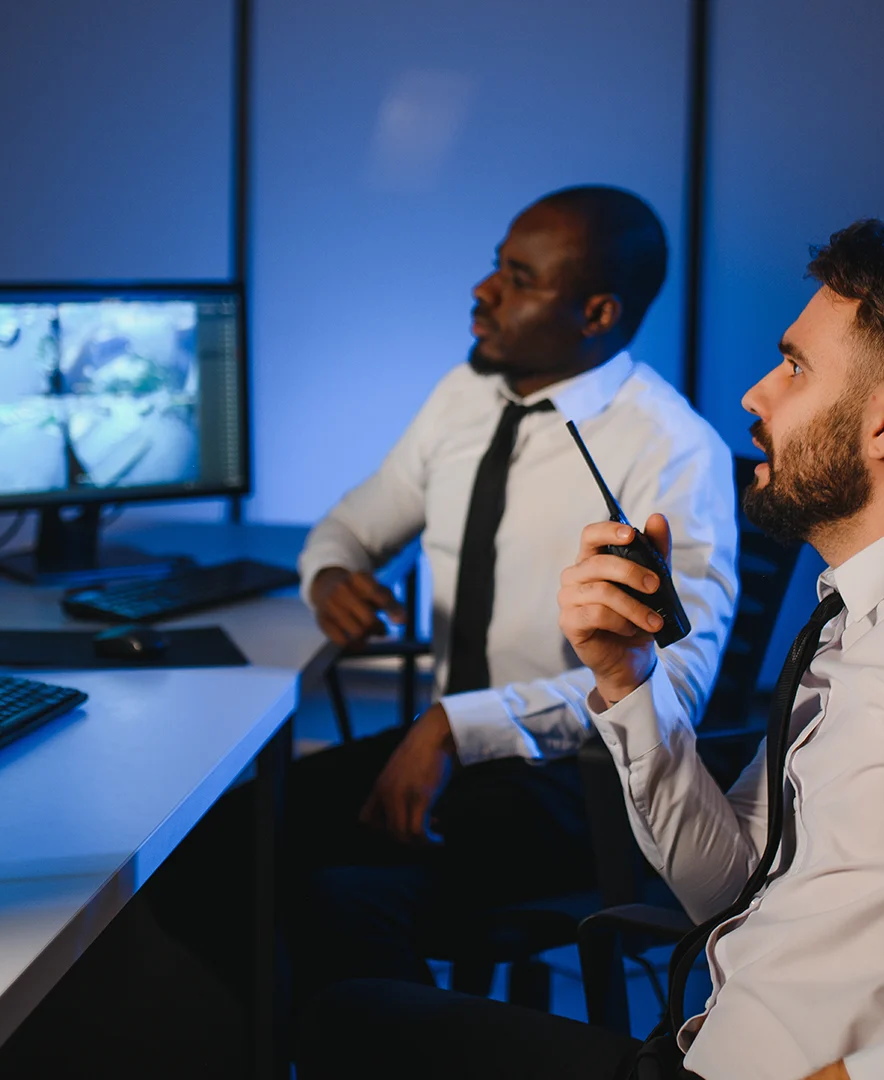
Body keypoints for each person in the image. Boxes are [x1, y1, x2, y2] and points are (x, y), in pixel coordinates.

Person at [300, 219, 884, 1080]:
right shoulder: (862, 619)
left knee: (343, 1006)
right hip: (696, 1050)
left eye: (794, 367)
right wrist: (626, 682)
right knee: (348, 1003)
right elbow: (726, 889)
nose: (755, 395)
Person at [156, 185, 738, 1021]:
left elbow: (671, 684)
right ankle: (299, 1050)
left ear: (597, 312)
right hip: (447, 747)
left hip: (578, 782)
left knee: (339, 899)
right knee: (207, 844)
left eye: (517, 277)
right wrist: (328, 575)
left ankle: (393, 1047)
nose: (483, 292)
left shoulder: (672, 449)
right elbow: (349, 527)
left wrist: (459, 726)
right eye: (495, 265)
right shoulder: (464, 397)